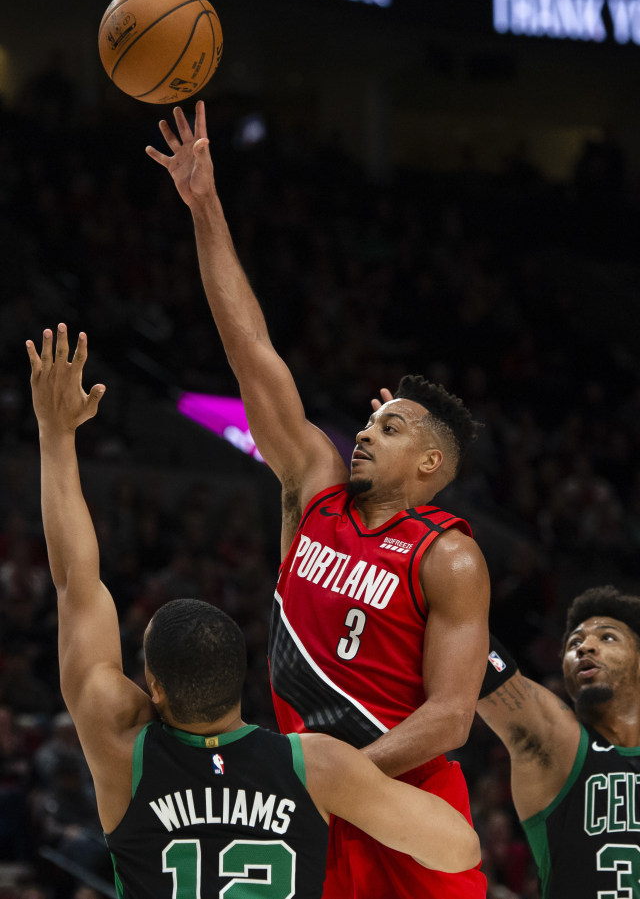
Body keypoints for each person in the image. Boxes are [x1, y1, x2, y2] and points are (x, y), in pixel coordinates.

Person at [146, 101, 490, 898]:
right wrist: (205, 206)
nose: (367, 432)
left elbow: (450, 718)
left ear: (432, 459)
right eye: (370, 419)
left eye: (392, 426)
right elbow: (251, 350)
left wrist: (341, 782)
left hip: (404, 807)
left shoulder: (448, 552)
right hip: (314, 809)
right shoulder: (315, 490)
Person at [25, 324, 481, 899]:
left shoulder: (120, 745)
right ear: (245, 679)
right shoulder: (312, 768)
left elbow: (74, 582)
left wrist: (54, 435)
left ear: (153, 688)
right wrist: (344, 785)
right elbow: (460, 845)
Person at [477, 585, 640, 899]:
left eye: (606, 637)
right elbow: (476, 654)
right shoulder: (561, 745)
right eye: (575, 642)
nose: (584, 648)